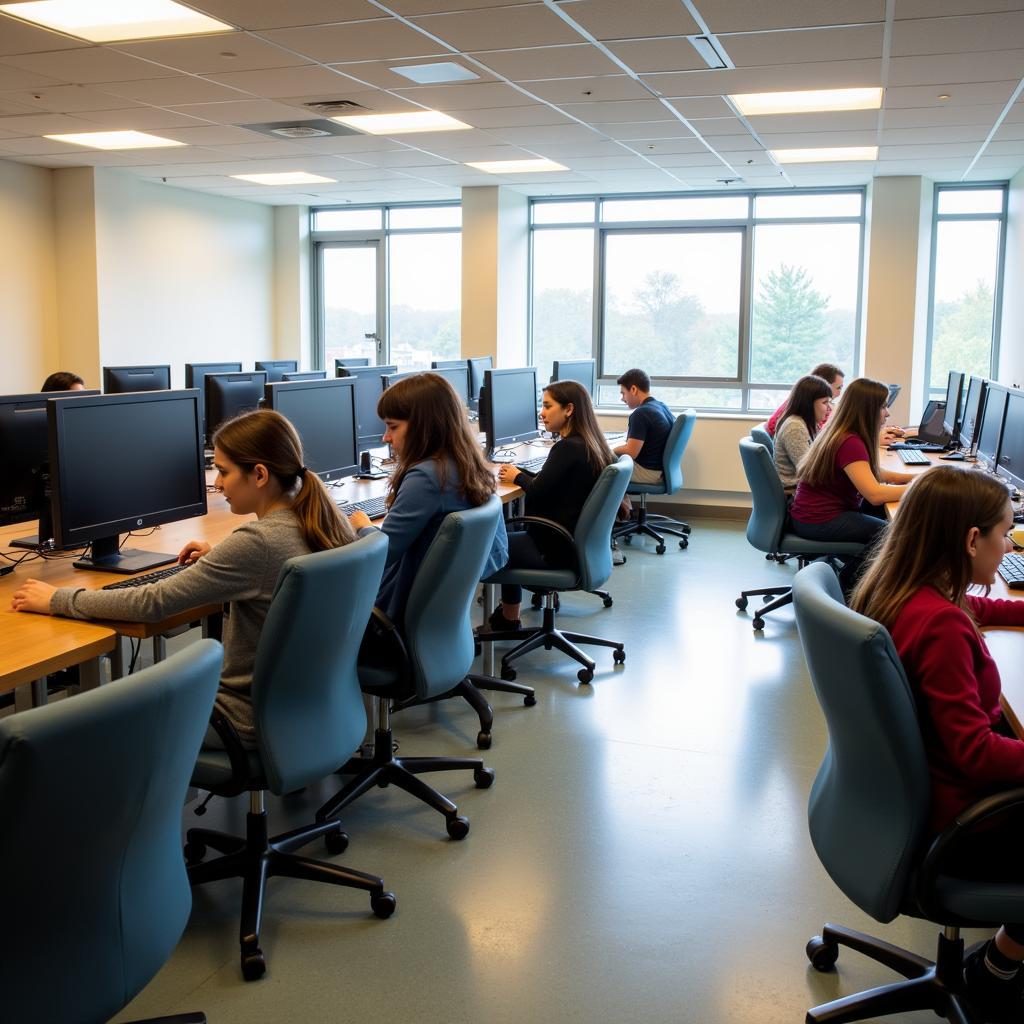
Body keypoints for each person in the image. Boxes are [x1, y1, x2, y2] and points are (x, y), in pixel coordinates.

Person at [11, 409, 357, 748]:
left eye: (223, 471)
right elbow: (267, 566)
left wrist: (58, 599)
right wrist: (222, 559)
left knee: (100, 719)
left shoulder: (259, 542)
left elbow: (152, 603)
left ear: (261, 475)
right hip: (305, 703)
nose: (217, 483)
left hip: (240, 717)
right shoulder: (322, 516)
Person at [851, 467, 1024, 1023]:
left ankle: (1001, 959)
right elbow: (977, 753)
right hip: (964, 818)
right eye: (1007, 532)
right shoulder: (943, 625)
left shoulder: (902, 590)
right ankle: (1000, 968)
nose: (1010, 544)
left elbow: (980, 611)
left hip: (905, 803)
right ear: (972, 540)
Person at [348, 372, 507, 630]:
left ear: (424, 425)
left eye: (393, 426)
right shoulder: (466, 465)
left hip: (391, 622)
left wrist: (362, 526)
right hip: (435, 620)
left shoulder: (428, 477)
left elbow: (381, 554)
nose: (385, 438)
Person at [487, 379, 614, 631]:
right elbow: (553, 483)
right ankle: (509, 614)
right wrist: (523, 474)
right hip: (575, 546)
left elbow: (537, 492)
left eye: (547, 406)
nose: (541, 413)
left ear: (568, 410)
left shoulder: (567, 448)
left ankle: (507, 618)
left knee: (492, 543)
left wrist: (518, 477)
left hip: (553, 549)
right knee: (508, 534)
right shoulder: (591, 444)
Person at [789, 377, 913, 593]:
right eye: (883, 407)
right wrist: (916, 489)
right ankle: (849, 591)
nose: (887, 413)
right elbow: (874, 493)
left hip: (811, 515)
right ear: (868, 409)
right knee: (892, 536)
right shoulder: (850, 441)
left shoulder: (842, 432)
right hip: (819, 519)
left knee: (885, 518)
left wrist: (908, 479)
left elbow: (873, 473)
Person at [773, 374, 833, 493]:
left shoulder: (809, 423)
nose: (829, 408)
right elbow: (808, 471)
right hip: (794, 493)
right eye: (825, 402)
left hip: (802, 488)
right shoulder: (794, 427)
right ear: (809, 403)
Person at [613, 368, 674, 484]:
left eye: (623, 393)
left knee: (599, 463)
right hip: (659, 470)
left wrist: (611, 449)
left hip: (647, 472)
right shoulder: (661, 406)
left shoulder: (640, 414)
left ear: (634, 389)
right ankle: (624, 503)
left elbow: (631, 452)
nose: (622, 399)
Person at [766, 363, 844, 437]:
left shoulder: (802, 401)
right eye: (839, 388)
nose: (840, 393)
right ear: (823, 385)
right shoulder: (796, 420)